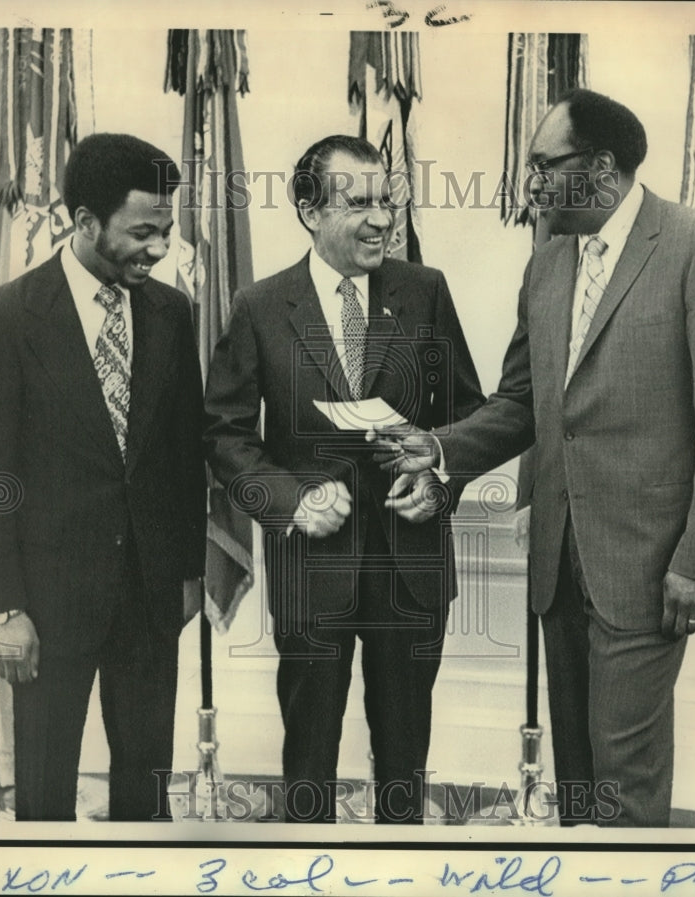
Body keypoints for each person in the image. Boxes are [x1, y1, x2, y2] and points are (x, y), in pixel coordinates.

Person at [374, 89, 695, 827]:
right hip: (559, 567)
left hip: (651, 570)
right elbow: (522, 403)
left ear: (602, 168)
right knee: (581, 787)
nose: (529, 184)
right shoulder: (549, 266)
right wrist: (438, 448)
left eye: (543, 165)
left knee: (625, 784)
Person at [203, 135, 484, 823]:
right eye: (357, 202)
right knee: (308, 769)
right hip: (311, 570)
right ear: (308, 210)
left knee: (402, 768)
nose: (381, 219)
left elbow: (470, 415)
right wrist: (292, 503)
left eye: (385, 199)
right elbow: (224, 433)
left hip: (410, 570)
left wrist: (439, 481)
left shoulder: (426, 292)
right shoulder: (260, 306)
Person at [0, 133, 207, 821]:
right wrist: (3, 609)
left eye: (167, 230)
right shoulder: (7, 318)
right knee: (43, 799)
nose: (158, 249)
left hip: (152, 602)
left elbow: (185, 455)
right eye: (141, 232)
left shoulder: (172, 312)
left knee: (145, 798)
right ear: (85, 222)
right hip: (45, 605)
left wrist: (186, 573)